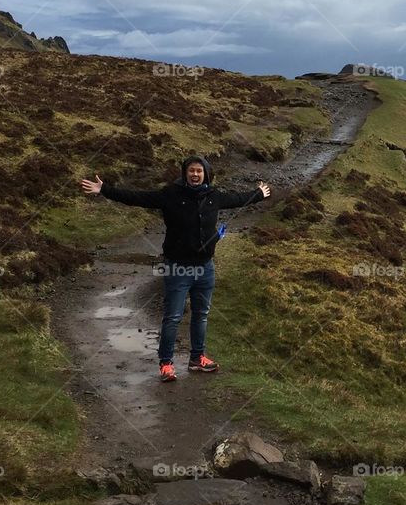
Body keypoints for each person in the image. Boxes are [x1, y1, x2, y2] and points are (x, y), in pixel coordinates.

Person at [80, 154, 271, 381]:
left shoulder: (214, 197)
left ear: (206, 174)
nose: (195, 174)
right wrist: (105, 190)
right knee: (172, 317)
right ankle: (166, 365)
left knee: (201, 315)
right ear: (185, 173)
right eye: (191, 170)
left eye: (199, 171)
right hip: (177, 268)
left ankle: (197, 358)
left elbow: (238, 199)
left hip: (205, 268)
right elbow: (138, 197)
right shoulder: (170, 195)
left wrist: (258, 194)